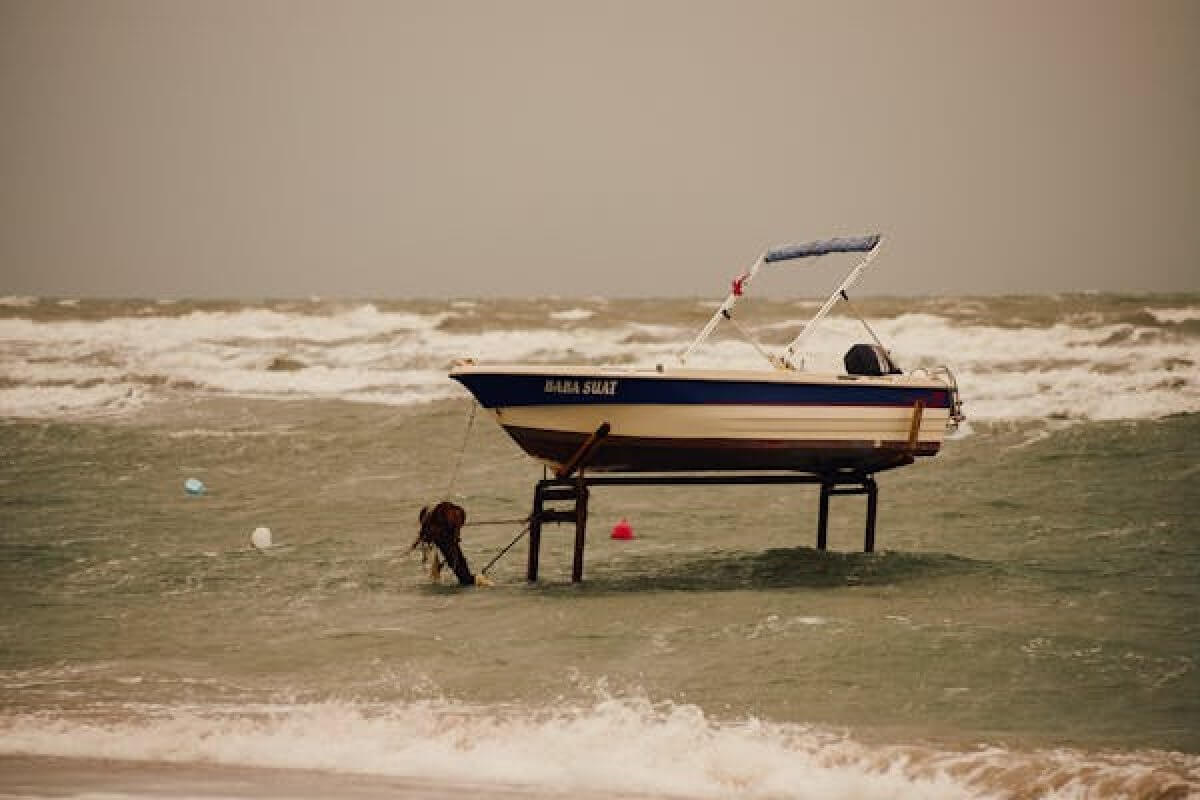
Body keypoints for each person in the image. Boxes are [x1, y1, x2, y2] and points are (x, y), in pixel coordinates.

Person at [413, 502, 492, 586]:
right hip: (443, 537)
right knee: (465, 577)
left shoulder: (440, 530)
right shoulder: (442, 535)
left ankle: (474, 579)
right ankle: (476, 579)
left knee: (463, 573)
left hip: (442, 536)